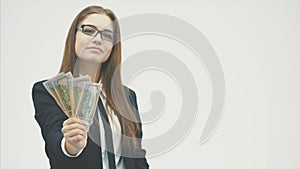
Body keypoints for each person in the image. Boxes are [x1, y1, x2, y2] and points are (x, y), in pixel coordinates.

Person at [32, 5, 149, 169]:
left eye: (107, 35)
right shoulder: (47, 92)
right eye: (89, 30)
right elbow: (54, 143)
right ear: (74, 36)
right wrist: (71, 146)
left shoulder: (127, 96)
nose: (98, 39)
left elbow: (137, 158)